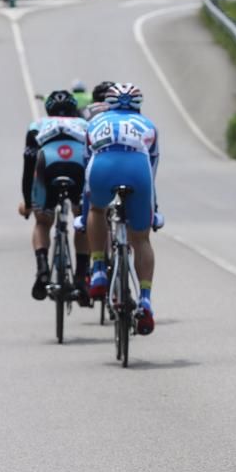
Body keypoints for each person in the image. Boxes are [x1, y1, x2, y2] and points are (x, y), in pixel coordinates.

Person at [83, 84, 162, 336]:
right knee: (141, 239)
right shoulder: (149, 125)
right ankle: (146, 300)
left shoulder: (94, 122)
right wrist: (154, 209)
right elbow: (153, 170)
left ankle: (97, 269)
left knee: (96, 210)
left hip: (103, 167)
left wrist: (82, 213)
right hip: (138, 170)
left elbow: (87, 164)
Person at [19, 90, 90, 301]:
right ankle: (80, 276)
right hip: (79, 168)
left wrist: (29, 202)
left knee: (42, 223)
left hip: (46, 167)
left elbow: (28, 167)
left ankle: (42, 270)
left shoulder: (37, 125)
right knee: (83, 221)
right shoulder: (85, 125)